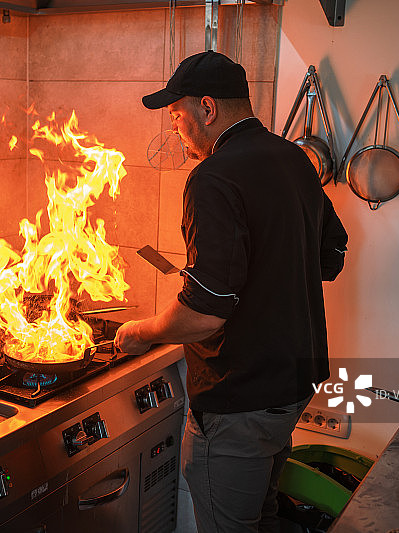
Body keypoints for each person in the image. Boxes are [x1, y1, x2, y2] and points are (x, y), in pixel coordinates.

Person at [114, 51, 348, 532]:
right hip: (293, 385)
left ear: (207, 108)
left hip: (240, 397)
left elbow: (205, 314)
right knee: (261, 516)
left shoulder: (213, 176)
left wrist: (142, 332)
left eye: (175, 115)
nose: (175, 129)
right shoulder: (293, 158)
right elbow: (330, 258)